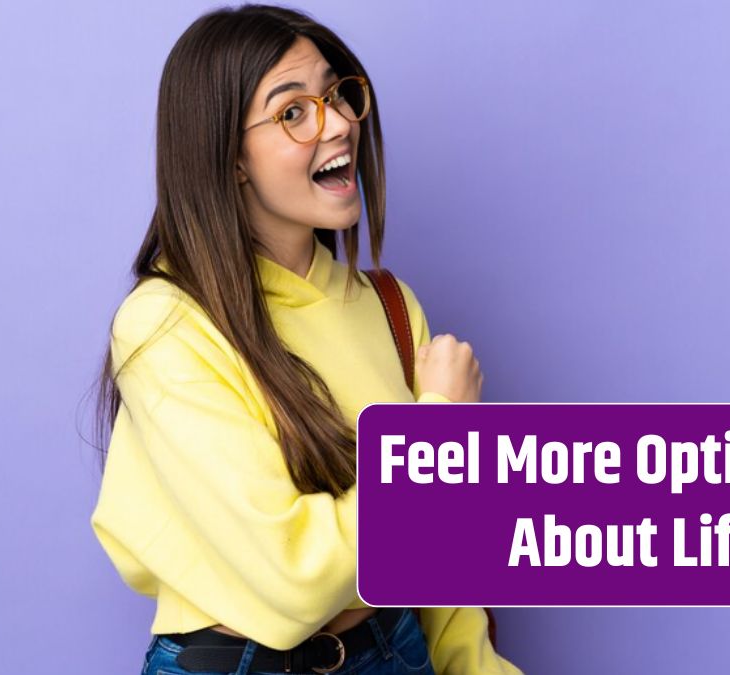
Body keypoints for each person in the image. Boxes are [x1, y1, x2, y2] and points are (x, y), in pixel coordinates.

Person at [90, 4, 523, 674]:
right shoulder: (167, 326)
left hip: (395, 647)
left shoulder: (388, 307)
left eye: (336, 96)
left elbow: (438, 555)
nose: (341, 122)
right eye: (293, 112)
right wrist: (438, 432)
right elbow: (296, 578)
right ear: (229, 156)